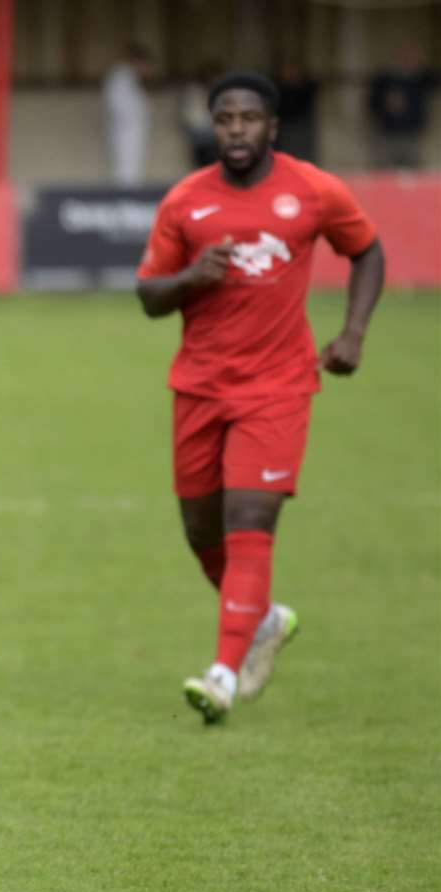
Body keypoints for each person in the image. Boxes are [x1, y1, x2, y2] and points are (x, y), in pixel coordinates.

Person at [135, 72, 385, 724]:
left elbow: (367, 250)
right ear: (211, 127)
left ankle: (221, 673)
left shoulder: (310, 190)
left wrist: (353, 332)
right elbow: (148, 297)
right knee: (200, 533)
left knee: (250, 522)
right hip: (197, 386)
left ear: (272, 127)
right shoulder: (185, 202)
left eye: (249, 119)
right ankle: (265, 618)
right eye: (224, 120)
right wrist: (193, 277)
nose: (236, 130)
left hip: (276, 388)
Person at [367, 44, 437, 170]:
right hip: (387, 132)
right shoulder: (384, 78)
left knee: (415, 170)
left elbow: (433, 85)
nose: (409, 59)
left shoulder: (422, 78)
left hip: (413, 133)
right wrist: (386, 104)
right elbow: (371, 103)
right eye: (406, 55)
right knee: (385, 171)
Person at [104, 43, 153, 185]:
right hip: (124, 130)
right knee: (124, 168)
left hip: (132, 131)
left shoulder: (131, 78)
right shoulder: (120, 77)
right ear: (138, 61)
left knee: (134, 168)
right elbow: (117, 106)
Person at [273, 61, 320, 163]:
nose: (290, 75)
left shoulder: (306, 89)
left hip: (301, 129)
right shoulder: (279, 91)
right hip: (285, 129)